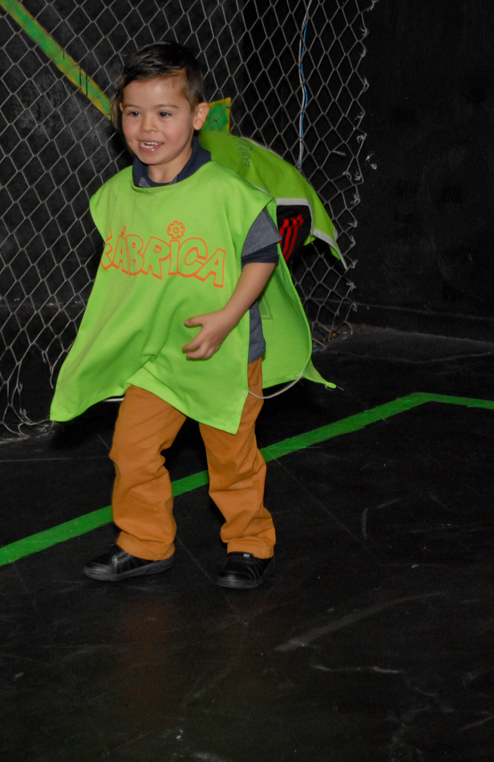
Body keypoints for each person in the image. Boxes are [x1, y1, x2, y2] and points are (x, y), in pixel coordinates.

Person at [49, 42, 329, 589]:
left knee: (231, 460)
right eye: (133, 113)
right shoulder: (114, 197)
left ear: (198, 116)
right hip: (157, 361)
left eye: (164, 113)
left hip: (224, 355)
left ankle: (249, 544)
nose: (146, 127)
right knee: (131, 452)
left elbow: (263, 257)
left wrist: (227, 316)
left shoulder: (226, 192)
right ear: (119, 117)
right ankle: (145, 542)